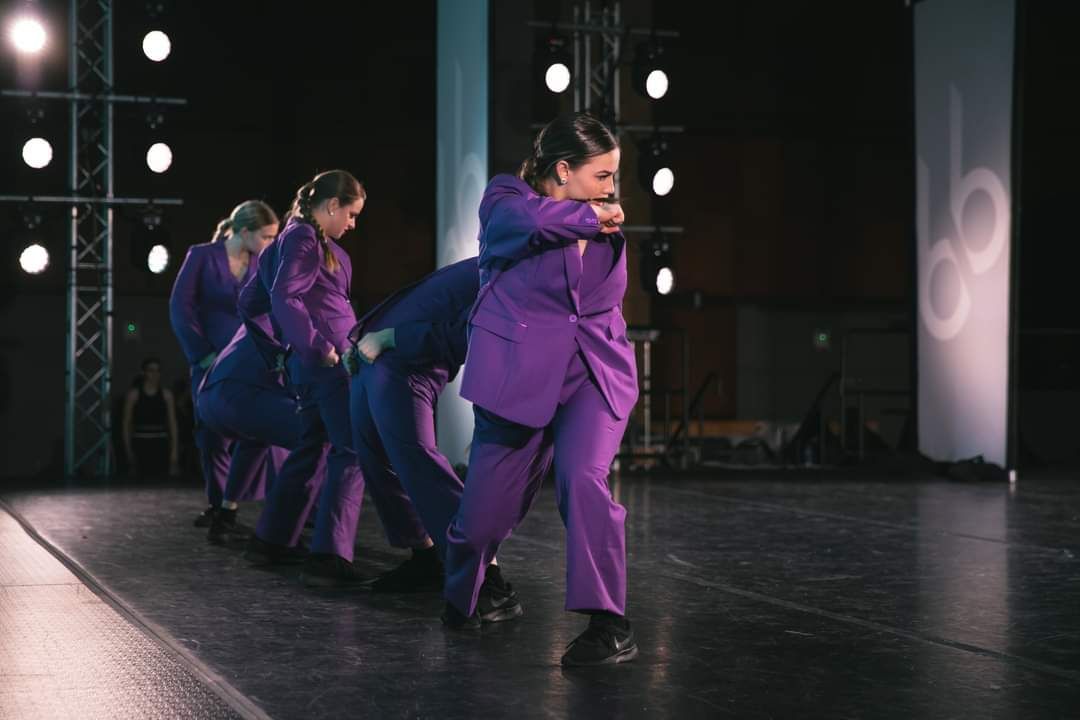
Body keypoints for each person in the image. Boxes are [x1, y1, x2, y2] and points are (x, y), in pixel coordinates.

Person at [441, 112, 640, 667]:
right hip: (519, 376)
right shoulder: (505, 199)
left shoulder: (600, 220)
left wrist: (593, 215)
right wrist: (588, 217)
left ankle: (610, 622)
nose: (611, 190)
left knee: (583, 479)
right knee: (481, 518)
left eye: (612, 178)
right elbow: (527, 225)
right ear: (562, 170)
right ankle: (473, 591)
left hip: (593, 374)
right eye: (602, 176)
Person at [243, 170, 374, 585]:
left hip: (312, 366)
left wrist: (281, 353)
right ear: (332, 205)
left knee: (312, 448)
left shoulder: (289, 239)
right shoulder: (302, 238)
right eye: (351, 214)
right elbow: (284, 297)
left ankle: (272, 539)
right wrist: (317, 346)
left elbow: (250, 301)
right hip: (330, 365)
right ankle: (330, 556)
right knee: (350, 451)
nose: (352, 224)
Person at [344, 257, 498, 593]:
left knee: (418, 463)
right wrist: (361, 337)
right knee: (376, 460)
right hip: (375, 357)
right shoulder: (495, 254)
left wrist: (393, 337)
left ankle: (485, 574)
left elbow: (469, 334)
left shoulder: (514, 268)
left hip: (406, 363)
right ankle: (426, 557)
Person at [168, 200, 280, 526]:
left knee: (259, 428)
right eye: (267, 237)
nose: (271, 244)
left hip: (249, 359)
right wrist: (201, 352)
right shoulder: (201, 255)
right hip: (209, 357)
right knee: (211, 432)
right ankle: (219, 504)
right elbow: (180, 308)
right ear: (244, 232)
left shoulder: (262, 262)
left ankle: (234, 502)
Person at [122, 357, 181, 479]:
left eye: (157, 371)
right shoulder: (134, 395)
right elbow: (126, 423)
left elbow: (173, 423)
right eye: (151, 370)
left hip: (161, 443)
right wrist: (128, 450)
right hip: (140, 443)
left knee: (161, 481)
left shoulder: (166, 395)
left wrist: (174, 451)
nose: (154, 374)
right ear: (144, 373)